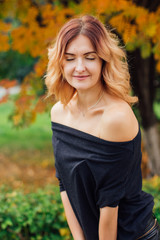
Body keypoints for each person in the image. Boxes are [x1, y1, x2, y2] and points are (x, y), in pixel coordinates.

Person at [45, 15, 160, 240]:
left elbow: (110, 205)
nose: (79, 67)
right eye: (70, 58)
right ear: (60, 62)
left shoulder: (115, 118)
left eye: (90, 57)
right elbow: (65, 183)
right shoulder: (59, 112)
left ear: (103, 61)